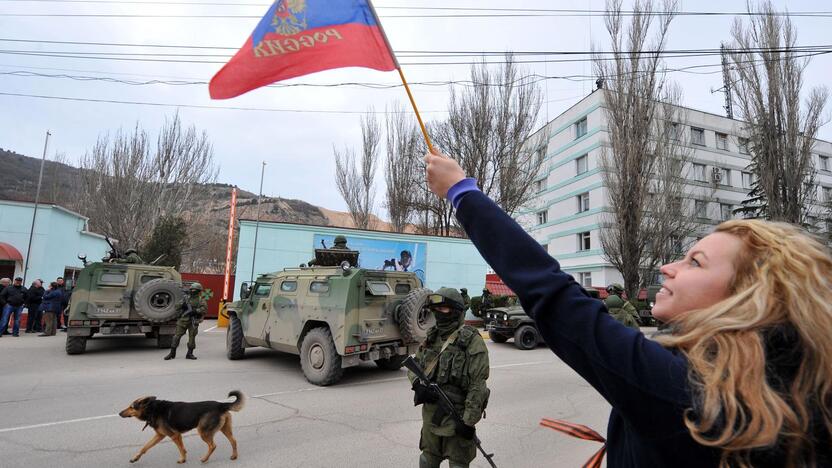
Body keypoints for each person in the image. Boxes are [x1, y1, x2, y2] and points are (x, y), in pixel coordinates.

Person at [425, 149, 832, 467]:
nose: (666, 268)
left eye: (695, 262)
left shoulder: (689, 394)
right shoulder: (791, 396)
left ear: (748, 299)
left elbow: (554, 294)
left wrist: (462, 192)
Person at [408, 287, 490, 468]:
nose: (438, 313)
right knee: (427, 460)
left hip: (457, 416)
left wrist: (468, 422)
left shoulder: (471, 340)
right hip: (431, 416)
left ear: (456, 310)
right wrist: (417, 384)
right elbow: (414, 365)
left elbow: (478, 385)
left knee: (458, 464)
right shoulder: (432, 336)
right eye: (435, 309)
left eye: (443, 308)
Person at [164, 282, 207, 360]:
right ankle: (172, 353)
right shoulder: (185, 298)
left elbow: (204, 309)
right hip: (183, 320)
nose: (193, 291)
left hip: (193, 321)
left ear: (199, 291)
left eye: (195, 290)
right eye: (192, 289)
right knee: (176, 337)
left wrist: (195, 311)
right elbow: (176, 307)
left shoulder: (201, 300)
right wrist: (182, 305)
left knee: (192, 338)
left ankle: (189, 353)